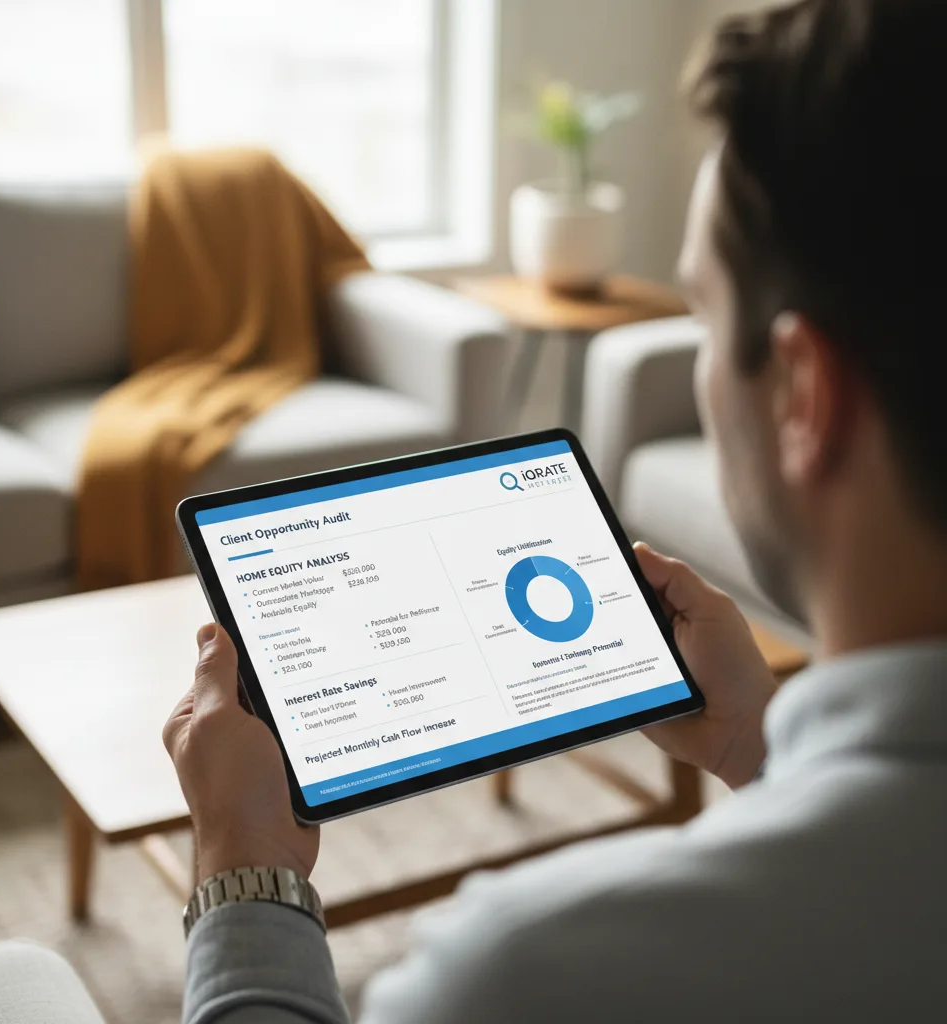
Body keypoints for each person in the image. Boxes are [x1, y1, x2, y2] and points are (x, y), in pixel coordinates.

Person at [164, 1, 947, 1020]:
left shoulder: (533, 973)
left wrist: (240, 866)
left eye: (700, 315)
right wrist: (755, 740)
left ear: (803, 395)